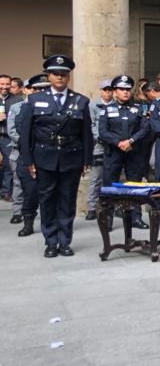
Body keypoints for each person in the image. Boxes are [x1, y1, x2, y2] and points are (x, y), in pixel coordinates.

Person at [16, 55, 93, 257]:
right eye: (56, 74)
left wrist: (87, 160)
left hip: (72, 157)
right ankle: (50, 241)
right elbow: (26, 134)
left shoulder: (81, 101)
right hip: (44, 157)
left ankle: (65, 241)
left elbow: (86, 134)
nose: (60, 77)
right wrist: (28, 161)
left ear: (68, 77)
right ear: (48, 76)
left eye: (64, 74)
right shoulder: (34, 100)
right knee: (47, 200)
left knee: (67, 201)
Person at [98, 75, 151, 230]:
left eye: (128, 89)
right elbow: (103, 131)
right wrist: (119, 143)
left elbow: (145, 128)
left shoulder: (139, 108)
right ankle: (107, 219)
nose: (125, 92)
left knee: (134, 185)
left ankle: (136, 217)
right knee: (109, 186)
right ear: (115, 92)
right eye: (121, 89)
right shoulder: (107, 110)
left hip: (134, 152)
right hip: (113, 152)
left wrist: (131, 141)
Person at [8, 73, 51, 236]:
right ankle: (28, 223)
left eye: (44, 89)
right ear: (28, 90)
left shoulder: (53, 108)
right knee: (30, 192)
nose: (40, 92)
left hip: (48, 155)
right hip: (26, 155)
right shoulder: (20, 108)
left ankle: (50, 225)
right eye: (36, 89)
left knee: (49, 193)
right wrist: (28, 144)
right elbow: (15, 131)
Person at [85, 79, 114, 220]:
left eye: (110, 90)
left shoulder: (116, 105)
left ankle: (114, 206)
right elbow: (89, 124)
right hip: (98, 145)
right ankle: (91, 207)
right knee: (96, 178)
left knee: (114, 178)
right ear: (101, 91)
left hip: (114, 146)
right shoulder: (93, 105)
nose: (107, 93)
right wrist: (100, 136)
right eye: (105, 90)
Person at [0, 73, 14, 202]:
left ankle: (6, 191)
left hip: (7, 138)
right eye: (2, 84)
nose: (4, 87)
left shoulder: (16, 100)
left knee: (9, 164)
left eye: (7, 84)